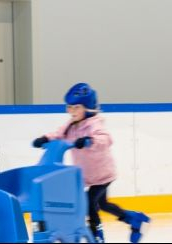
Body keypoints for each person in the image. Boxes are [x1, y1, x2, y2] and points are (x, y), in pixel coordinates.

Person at [32, 83, 150, 243]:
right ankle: (134, 219)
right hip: (87, 176)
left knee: (89, 204)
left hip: (102, 175)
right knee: (103, 204)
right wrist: (45, 138)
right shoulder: (70, 125)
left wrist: (89, 140)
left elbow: (106, 139)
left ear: (88, 108)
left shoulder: (94, 124)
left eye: (76, 107)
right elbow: (58, 134)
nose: (71, 111)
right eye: (69, 107)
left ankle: (96, 236)